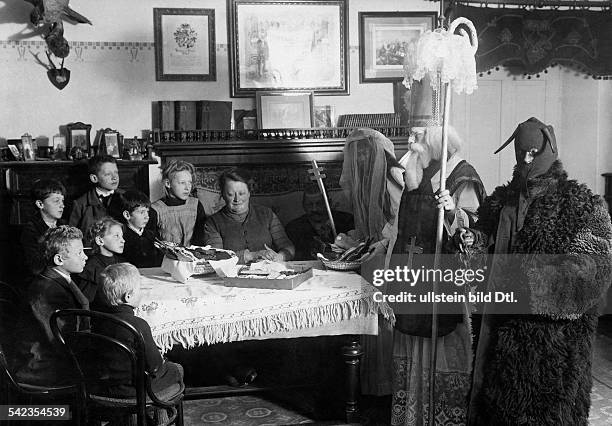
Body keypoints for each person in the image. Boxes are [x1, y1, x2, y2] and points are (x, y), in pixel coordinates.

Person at [454, 117, 612, 425]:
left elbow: (587, 279)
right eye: (520, 151)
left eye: (531, 152)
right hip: (497, 342)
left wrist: (523, 282)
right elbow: (482, 256)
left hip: (551, 354)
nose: (525, 158)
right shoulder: (500, 203)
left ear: (544, 153)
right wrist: (471, 240)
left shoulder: (581, 206)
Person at [390, 125, 486, 426]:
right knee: (415, 344)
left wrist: (454, 211)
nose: (412, 148)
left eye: (418, 144)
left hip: (444, 280)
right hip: (414, 277)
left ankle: (444, 418)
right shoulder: (418, 173)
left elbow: (475, 227)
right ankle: (415, 416)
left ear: (435, 147)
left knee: (446, 348)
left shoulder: (462, 176)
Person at [339, 128, 405, 396]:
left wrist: (380, 243)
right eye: (355, 155)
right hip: (372, 260)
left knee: (386, 321)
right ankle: (371, 386)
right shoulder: (364, 181)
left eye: (364, 153)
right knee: (370, 321)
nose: (359, 159)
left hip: (390, 261)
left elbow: (400, 224)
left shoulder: (393, 177)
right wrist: (351, 241)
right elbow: (369, 228)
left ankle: (389, 387)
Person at [95, 263, 184, 423]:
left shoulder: (97, 321)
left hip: (106, 387)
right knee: (176, 369)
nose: (142, 293)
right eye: (140, 289)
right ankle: (160, 420)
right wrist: (163, 361)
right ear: (128, 296)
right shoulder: (138, 324)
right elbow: (154, 367)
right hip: (136, 390)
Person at [15, 225, 89, 385]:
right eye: (79, 253)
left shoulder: (58, 279)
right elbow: (59, 341)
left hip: (55, 359)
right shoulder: (47, 291)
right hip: (43, 368)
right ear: (59, 260)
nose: (86, 257)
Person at [204, 168, 295, 263]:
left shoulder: (267, 214)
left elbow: (288, 247)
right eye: (230, 194)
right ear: (223, 195)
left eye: (241, 193)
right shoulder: (213, 223)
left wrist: (280, 257)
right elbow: (215, 257)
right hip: (233, 277)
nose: (237, 199)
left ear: (249, 193)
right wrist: (251, 256)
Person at [17, 178, 67, 286]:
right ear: (40, 204)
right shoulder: (30, 230)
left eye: (62, 200)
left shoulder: (65, 226)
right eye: (56, 201)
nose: (62, 205)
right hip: (42, 283)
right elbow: (35, 268)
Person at [285, 184, 354, 260]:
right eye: (309, 205)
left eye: (319, 204)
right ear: (303, 205)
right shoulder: (294, 228)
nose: (314, 209)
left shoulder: (347, 221)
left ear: (329, 203)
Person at [151, 160, 206, 246]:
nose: (187, 188)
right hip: (166, 256)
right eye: (182, 183)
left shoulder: (195, 205)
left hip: (192, 254)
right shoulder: (155, 209)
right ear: (168, 184)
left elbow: (200, 236)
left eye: (190, 183)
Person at [69, 155, 123, 242]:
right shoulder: (80, 204)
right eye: (108, 174)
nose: (114, 177)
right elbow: (72, 235)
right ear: (94, 178)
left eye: (116, 172)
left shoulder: (126, 198)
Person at [75, 217, 124, 306]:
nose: (123, 240)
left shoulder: (119, 261)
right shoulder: (92, 267)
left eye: (122, 236)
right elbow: (86, 301)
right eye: (116, 236)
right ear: (100, 240)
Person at [120, 189, 163, 268]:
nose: (147, 216)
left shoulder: (151, 235)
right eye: (142, 212)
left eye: (147, 211)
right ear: (127, 215)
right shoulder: (121, 237)